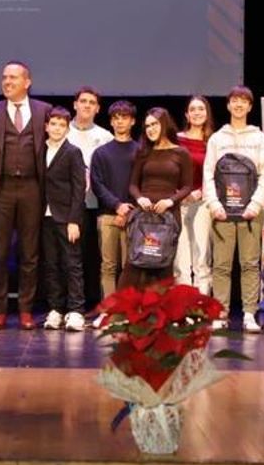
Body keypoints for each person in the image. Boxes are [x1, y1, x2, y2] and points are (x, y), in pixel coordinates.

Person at [0, 61, 51, 329]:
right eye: (4, 77)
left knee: (30, 253)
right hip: (4, 189)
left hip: (33, 188)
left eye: (13, 77)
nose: (7, 82)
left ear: (27, 82)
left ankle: (25, 309)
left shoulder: (43, 110)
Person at [202, 86, 264, 333]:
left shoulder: (259, 138)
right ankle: (220, 313)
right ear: (228, 105)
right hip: (222, 211)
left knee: (250, 263)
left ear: (250, 107)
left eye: (244, 101)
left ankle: (249, 314)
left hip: (251, 212)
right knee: (220, 265)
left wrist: (255, 205)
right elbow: (208, 174)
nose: (239, 105)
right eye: (234, 101)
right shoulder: (217, 139)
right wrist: (214, 204)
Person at [123, 106, 195, 291]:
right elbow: (132, 185)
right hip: (143, 216)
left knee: (162, 264)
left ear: (164, 124)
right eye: (147, 126)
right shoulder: (143, 152)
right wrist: (140, 199)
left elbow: (187, 186)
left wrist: (171, 201)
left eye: (154, 124)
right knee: (134, 265)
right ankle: (125, 313)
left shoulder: (181, 153)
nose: (151, 129)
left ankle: (159, 315)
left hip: (168, 216)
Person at [39, 108, 87, 330]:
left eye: (61, 125)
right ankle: (56, 309)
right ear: (46, 126)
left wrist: (74, 220)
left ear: (67, 128)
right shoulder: (39, 150)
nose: (57, 128)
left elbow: (79, 188)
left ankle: (76, 310)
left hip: (67, 217)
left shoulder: (72, 152)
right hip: (44, 216)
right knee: (51, 264)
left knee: (72, 263)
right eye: (53, 124)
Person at [66, 86, 114, 305]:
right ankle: (70, 304)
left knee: (94, 257)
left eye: (91, 103)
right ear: (75, 104)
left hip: (96, 204)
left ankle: (94, 303)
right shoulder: (61, 130)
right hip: (66, 206)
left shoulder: (105, 137)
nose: (86, 105)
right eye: (83, 101)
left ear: (97, 108)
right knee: (69, 257)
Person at [89, 101, 139, 299]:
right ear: (111, 122)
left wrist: (127, 209)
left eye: (124, 117)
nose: (119, 122)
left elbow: (141, 183)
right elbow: (97, 184)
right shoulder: (101, 152)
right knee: (108, 266)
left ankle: (127, 309)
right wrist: (117, 205)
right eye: (115, 118)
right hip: (108, 216)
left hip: (134, 216)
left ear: (132, 121)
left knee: (131, 266)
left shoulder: (140, 151)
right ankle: (109, 310)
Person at [174, 96, 216, 294]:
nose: (197, 112)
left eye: (201, 109)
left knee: (201, 256)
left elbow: (217, 173)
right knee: (180, 258)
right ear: (187, 114)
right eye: (193, 109)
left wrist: (200, 191)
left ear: (207, 113)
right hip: (178, 202)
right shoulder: (176, 139)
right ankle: (183, 307)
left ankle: (202, 307)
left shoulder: (214, 141)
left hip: (202, 202)